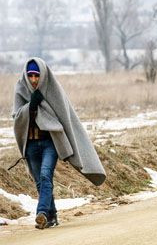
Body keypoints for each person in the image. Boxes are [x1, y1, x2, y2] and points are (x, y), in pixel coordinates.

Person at [12, 58, 106, 229]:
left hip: (50, 142)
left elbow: (66, 118)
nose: (34, 80)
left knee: (45, 175)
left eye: (37, 76)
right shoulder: (20, 89)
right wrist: (30, 107)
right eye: (30, 75)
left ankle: (41, 213)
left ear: (43, 75)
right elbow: (16, 118)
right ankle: (51, 216)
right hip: (31, 144)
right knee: (40, 182)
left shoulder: (53, 90)